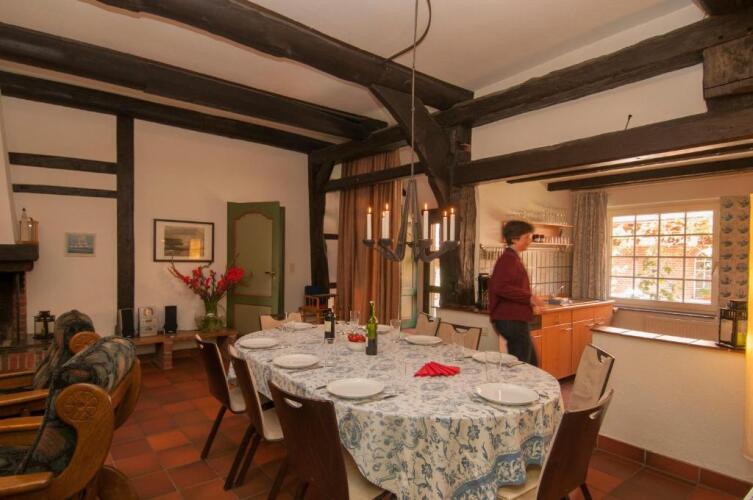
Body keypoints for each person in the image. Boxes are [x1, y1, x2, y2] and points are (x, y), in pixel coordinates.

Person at [489, 220, 543, 365]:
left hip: (513, 318)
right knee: (523, 364)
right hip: (510, 319)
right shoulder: (508, 259)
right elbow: (500, 287)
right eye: (527, 237)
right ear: (514, 238)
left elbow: (510, 287)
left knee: (530, 363)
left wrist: (530, 302)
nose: (529, 241)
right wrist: (529, 298)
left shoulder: (512, 257)